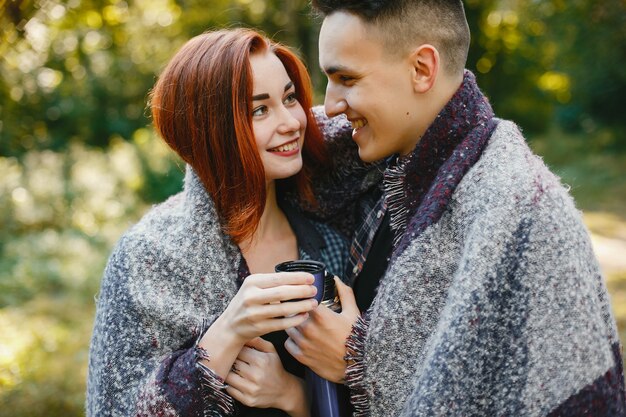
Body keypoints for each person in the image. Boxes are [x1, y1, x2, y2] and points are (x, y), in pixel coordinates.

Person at [284, 1, 626, 416]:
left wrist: (359, 361)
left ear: (422, 69)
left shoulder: (523, 212)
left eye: (346, 78)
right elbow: (244, 146)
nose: (332, 103)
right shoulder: (374, 165)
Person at [86, 28, 351, 417]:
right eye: (259, 110)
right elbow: (114, 408)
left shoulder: (331, 241)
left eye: (289, 98)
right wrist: (228, 331)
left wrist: (293, 396)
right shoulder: (148, 256)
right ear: (212, 131)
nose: (292, 122)